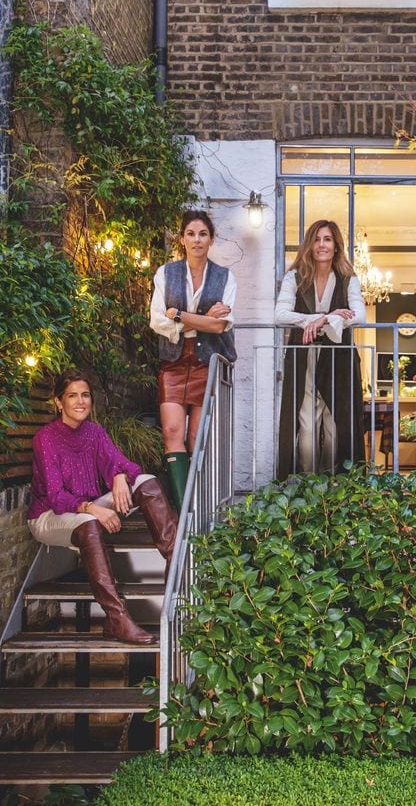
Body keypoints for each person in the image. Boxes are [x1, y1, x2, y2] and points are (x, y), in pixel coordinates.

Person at [28, 369, 178, 645]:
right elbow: (56, 497)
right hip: (49, 516)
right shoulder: (45, 438)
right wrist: (94, 509)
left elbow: (129, 466)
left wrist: (119, 475)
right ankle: (116, 618)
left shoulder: (94, 432)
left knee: (146, 481)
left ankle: (175, 559)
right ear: (59, 402)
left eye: (85, 395)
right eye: (72, 396)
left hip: (87, 510)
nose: (80, 401)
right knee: (87, 523)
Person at [149, 209, 237, 507]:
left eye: (203, 234)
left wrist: (180, 316)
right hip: (174, 362)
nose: (197, 240)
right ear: (182, 239)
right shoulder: (166, 273)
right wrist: (200, 319)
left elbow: (220, 325)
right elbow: (157, 322)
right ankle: (184, 507)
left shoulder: (225, 277)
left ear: (211, 239)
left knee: (197, 436)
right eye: (191, 234)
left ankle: (199, 505)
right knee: (172, 431)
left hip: (206, 362)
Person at [275, 219, 366, 479]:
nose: (322, 245)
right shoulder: (295, 276)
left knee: (338, 426)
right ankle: (306, 484)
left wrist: (326, 319)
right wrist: (313, 320)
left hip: (339, 359)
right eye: (316, 239)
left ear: (336, 245)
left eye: (327, 239)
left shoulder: (349, 280)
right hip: (304, 358)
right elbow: (279, 314)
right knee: (305, 426)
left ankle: (337, 488)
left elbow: (360, 315)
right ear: (309, 245)